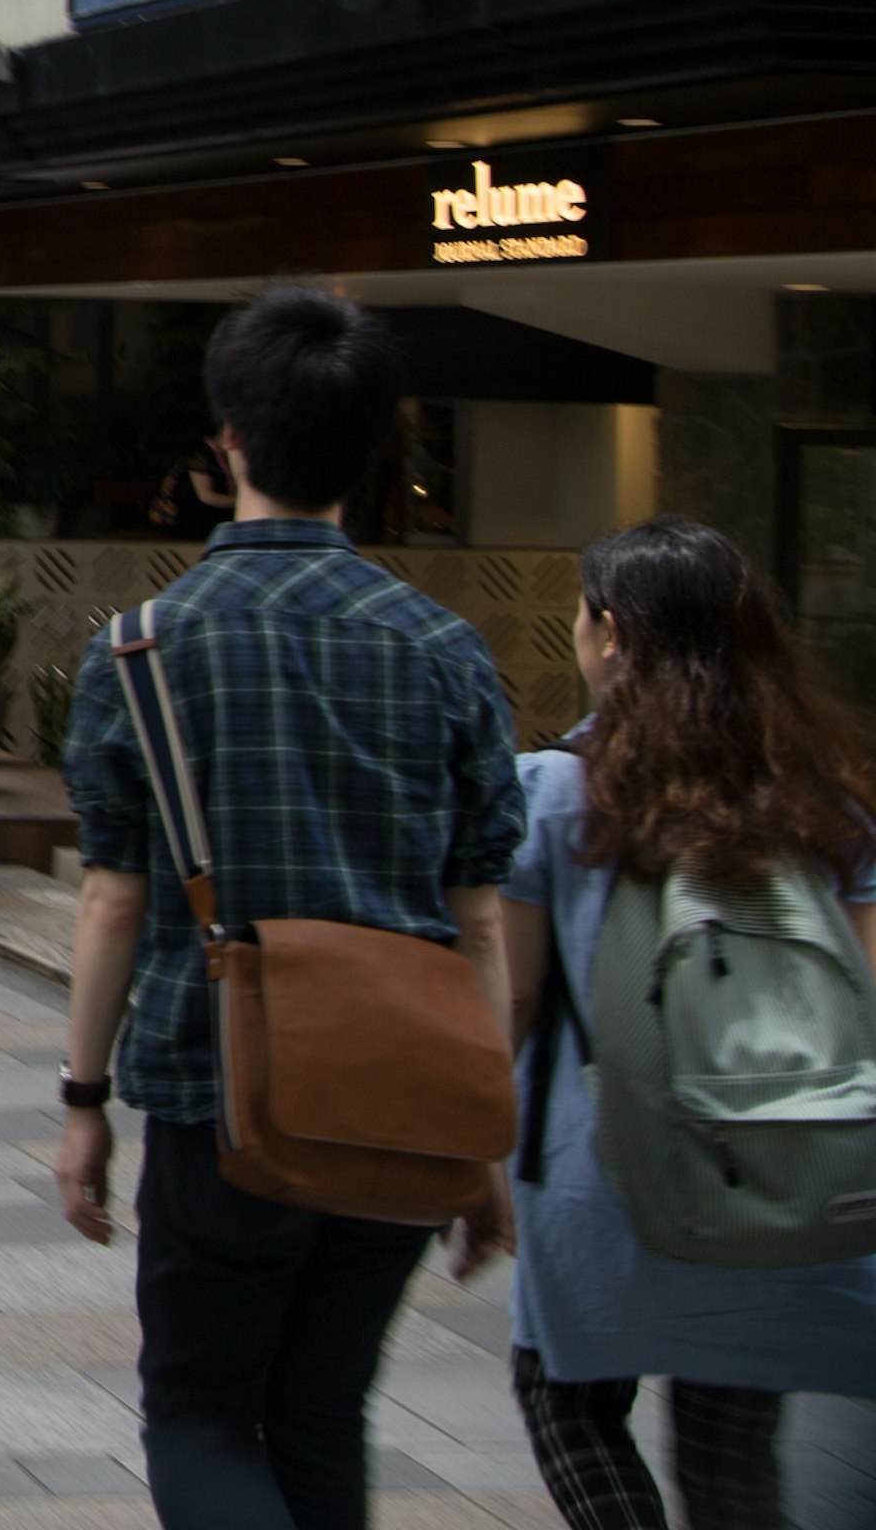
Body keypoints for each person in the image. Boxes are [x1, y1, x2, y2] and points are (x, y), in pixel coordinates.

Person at [53, 287, 524, 1530]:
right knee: (322, 1408)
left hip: (222, 1093)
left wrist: (84, 1104)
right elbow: (480, 920)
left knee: (203, 1410)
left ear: (229, 443)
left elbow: (112, 901)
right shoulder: (446, 651)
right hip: (406, 1100)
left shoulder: (141, 649)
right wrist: (482, 1135)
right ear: (369, 453)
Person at [500, 516, 876, 1530]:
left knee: (564, 1403)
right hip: (775, 1168)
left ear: (611, 634)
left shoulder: (549, 796)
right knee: (731, 1455)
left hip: (599, 1174)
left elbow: (518, 999)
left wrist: (470, 1164)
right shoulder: (831, 806)